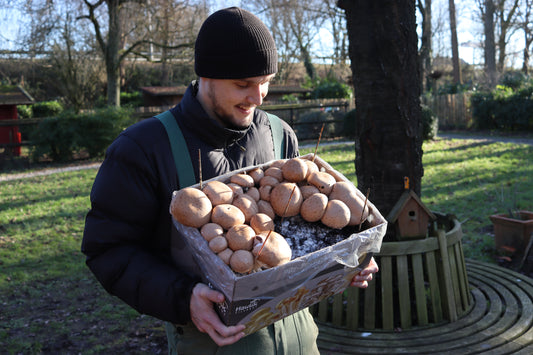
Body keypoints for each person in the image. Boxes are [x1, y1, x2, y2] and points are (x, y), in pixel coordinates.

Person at [81, 6, 378, 355]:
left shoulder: (281, 136)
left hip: (300, 338)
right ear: (206, 75)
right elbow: (108, 250)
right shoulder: (144, 149)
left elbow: (302, 236)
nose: (258, 97)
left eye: (265, 82)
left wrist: (343, 260)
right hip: (212, 343)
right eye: (243, 85)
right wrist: (183, 297)